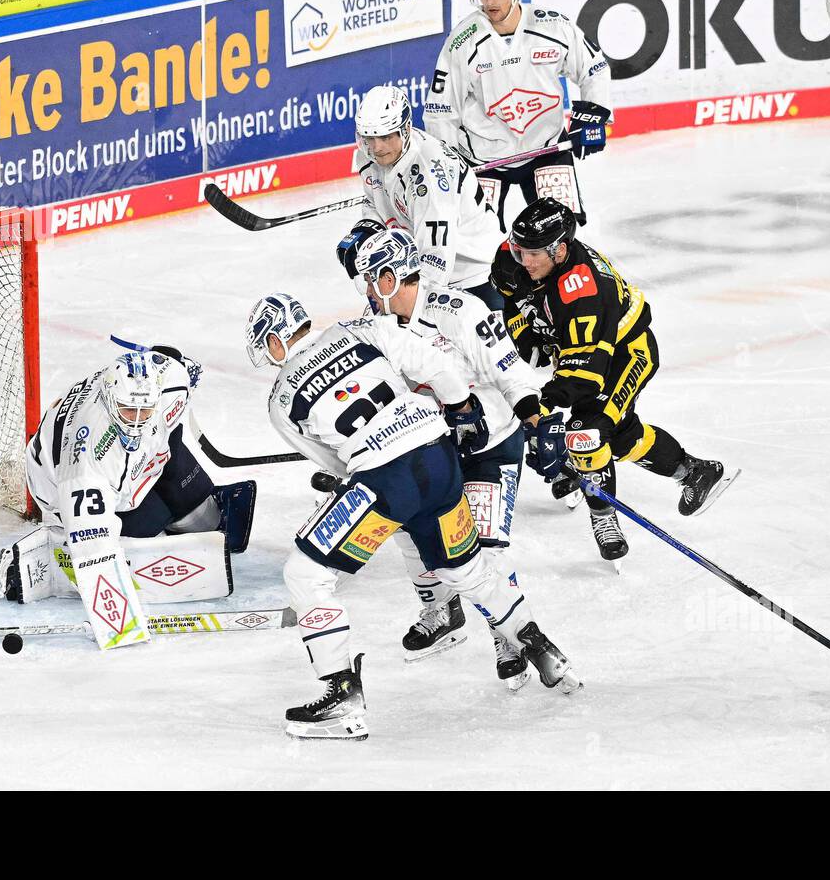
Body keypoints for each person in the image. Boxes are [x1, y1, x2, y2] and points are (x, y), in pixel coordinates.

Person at [246, 291, 581, 740]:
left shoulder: (280, 399)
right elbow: (435, 364)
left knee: (306, 576)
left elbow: (335, 465)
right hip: (439, 458)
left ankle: (341, 693)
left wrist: (361, 484)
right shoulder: (357, 329)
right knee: (468, 571)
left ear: (273, 342)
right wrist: (461, 407)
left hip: (386, 481)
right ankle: (541, 647)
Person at [492, 198, 736, 567]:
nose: (523, 261)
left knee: (587, 433)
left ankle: (604, 518)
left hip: (623, 354)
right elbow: (508, 295)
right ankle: (694, 471)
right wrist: (528, 336)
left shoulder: (585, 292)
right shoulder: (517, 254)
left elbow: (585, 374)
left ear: (559, 250)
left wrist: (542, 405)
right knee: (618, 437)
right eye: (519, 249)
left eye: (533, 254)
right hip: (583, 350)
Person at [352, 227, 546, 687]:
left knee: (485, 550)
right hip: (428, 445)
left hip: (489, 442)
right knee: (405, 528)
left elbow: (512, 372)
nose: (366, 291)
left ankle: (507, 631)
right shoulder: (375, 321)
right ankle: (440, 609)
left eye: (371, 279)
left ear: (394, 276)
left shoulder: (460, 311)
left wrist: (537, 422)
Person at [0, 342, 256, 651]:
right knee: (149, 530)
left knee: (204, 513)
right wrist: (119, 624)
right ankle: (56, 557)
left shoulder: (168, 384)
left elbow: (174, 364)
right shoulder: (85, 465)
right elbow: (95, 549)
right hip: (65, 486)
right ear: (108, 399)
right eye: (129, 410)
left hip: (138, 464)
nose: (137, 421)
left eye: (146, 411)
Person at [423, 0, 611, 230]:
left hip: (547, 148)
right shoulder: (462, 41)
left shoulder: (551, 26)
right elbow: (441, 109)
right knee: (478, 245)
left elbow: (594, 67)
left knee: (558, 239)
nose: (489, 2)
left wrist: (592, 115)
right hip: (482, 158)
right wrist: (448, 166)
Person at [339, 85, 504, 308]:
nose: (377, 147)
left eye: (386, 137)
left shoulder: (429, 177)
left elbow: (436, 261)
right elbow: (374, 200)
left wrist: (411, 314)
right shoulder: (370, 154)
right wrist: (368, 229)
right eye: (369, 137)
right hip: (428, 266)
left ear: (405, 130)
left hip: (475, 275)